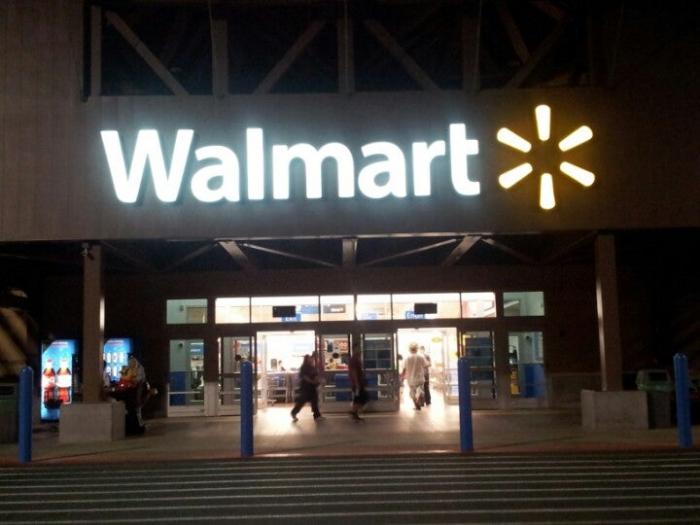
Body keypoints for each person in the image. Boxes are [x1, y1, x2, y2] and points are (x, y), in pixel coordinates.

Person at [290, 354, 322, 421]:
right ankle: (293, 413)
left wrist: (318, 381)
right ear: (306, 360)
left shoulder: (312, 367)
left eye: (311, 358)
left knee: (314, 401)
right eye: (309, 358)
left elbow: (316, 375)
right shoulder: (304, 367)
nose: (311, 359)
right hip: (305, 387)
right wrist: (312, 382)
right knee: (301, 401)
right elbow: (304, 377)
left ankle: (317, 416)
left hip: (312, 387)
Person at [401, 342, 428, 410]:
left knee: (412, 392)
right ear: (417, 349)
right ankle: (419, 395)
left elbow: (404, 368)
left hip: (411, 379)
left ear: (410, 350)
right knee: (420, 389)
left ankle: (416, 405)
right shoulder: (421, 357)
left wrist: (402, 376)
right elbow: (426, 365)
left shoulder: (407, 358)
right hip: (420, 378)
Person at [348, 343, 368, 421]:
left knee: (358, 399)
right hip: (357, 383)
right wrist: (357, 383)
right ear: (354, 349)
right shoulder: (354, 359)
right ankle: (353, 412)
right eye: (358, 348)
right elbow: (354, 372)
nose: (359, 350)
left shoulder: (356, 358)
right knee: (363, 398)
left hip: (358, 383)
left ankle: (354, 413)